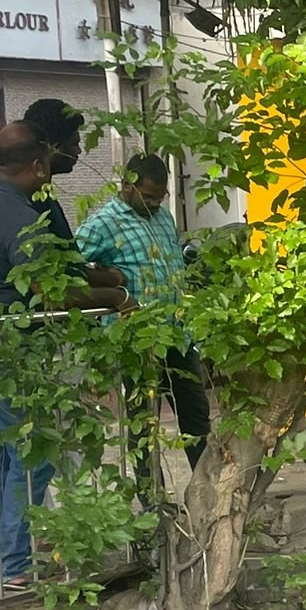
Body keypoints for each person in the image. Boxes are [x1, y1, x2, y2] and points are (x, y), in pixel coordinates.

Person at [0, 122, 130, 590]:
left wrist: (99, 280)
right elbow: (46, 289)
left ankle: (9, 560)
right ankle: (17, 567)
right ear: (37, 165)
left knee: (8, 454)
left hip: (9, 349)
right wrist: (112, 298)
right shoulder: (18, 213)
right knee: (34, 453)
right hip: (19, 351)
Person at [78, 153, 211, 470]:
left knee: (197, 420)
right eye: (148, 197)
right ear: (127, 185)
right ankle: (155, 507)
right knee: (144, 428)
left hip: (177, 336)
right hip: (137, 343)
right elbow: (71, 267)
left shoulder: (163, 217)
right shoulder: (103, 223)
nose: (154, 203)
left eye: (159, 197)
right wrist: (109, 281)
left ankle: (209, 493)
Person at [22, 99, 124, 291]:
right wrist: (111, 283)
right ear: (54, 147)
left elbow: (65, 261)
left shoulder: (45, 195)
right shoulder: (27, 202)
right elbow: (54, 273)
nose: (79, 151)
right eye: (74, 143)